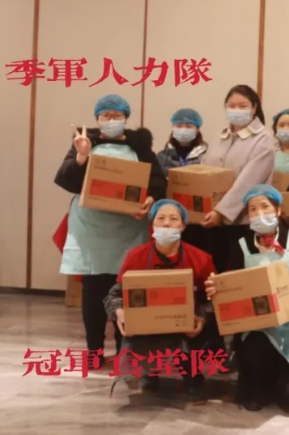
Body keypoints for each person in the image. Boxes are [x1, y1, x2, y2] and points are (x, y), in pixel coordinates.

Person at [55, 94, 167, 365]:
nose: (111, 120)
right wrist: (81, 156)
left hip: (128, 230)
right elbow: (66, 180)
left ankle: (123, 351)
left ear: (126, 118)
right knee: (93, 292)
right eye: (105, 115)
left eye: (117, 116)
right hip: (92, 228)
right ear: (97, 119)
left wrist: (151, 198)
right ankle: (94, 351)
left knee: (126, 293)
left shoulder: (141, 148)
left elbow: (158, 180)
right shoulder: (85, 142)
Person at [205, 185, 289, 412]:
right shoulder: (240, 247)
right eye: (253, 209)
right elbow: (232, 291)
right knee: (253, 398)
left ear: (278, 210)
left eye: (265, 207)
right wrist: (217, 291)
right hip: (260, 329)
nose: (259, 213)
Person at [104, 199, 216, 403]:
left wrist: (201, 318)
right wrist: (120, 313)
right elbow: (114, 295)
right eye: (160, 218)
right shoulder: (136, 257)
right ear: (152, 224)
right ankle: (149, 372)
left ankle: (193, 377)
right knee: (130, 329)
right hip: (148, 325)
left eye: (173, 219)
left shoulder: (200, 259)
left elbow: (215, 298)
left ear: (183, 226)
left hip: (185, 324)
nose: (166, 223)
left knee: (199, 336)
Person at [199, 85, 275, 272]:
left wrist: (221, 212)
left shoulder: (263, 139)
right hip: (212, 219)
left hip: (242, 221)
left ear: (254, 108)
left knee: (236, 273)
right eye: (231, 106)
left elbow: (247, 183)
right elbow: (204, 170)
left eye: (243, 106)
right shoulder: (222, 136)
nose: (236, 110)